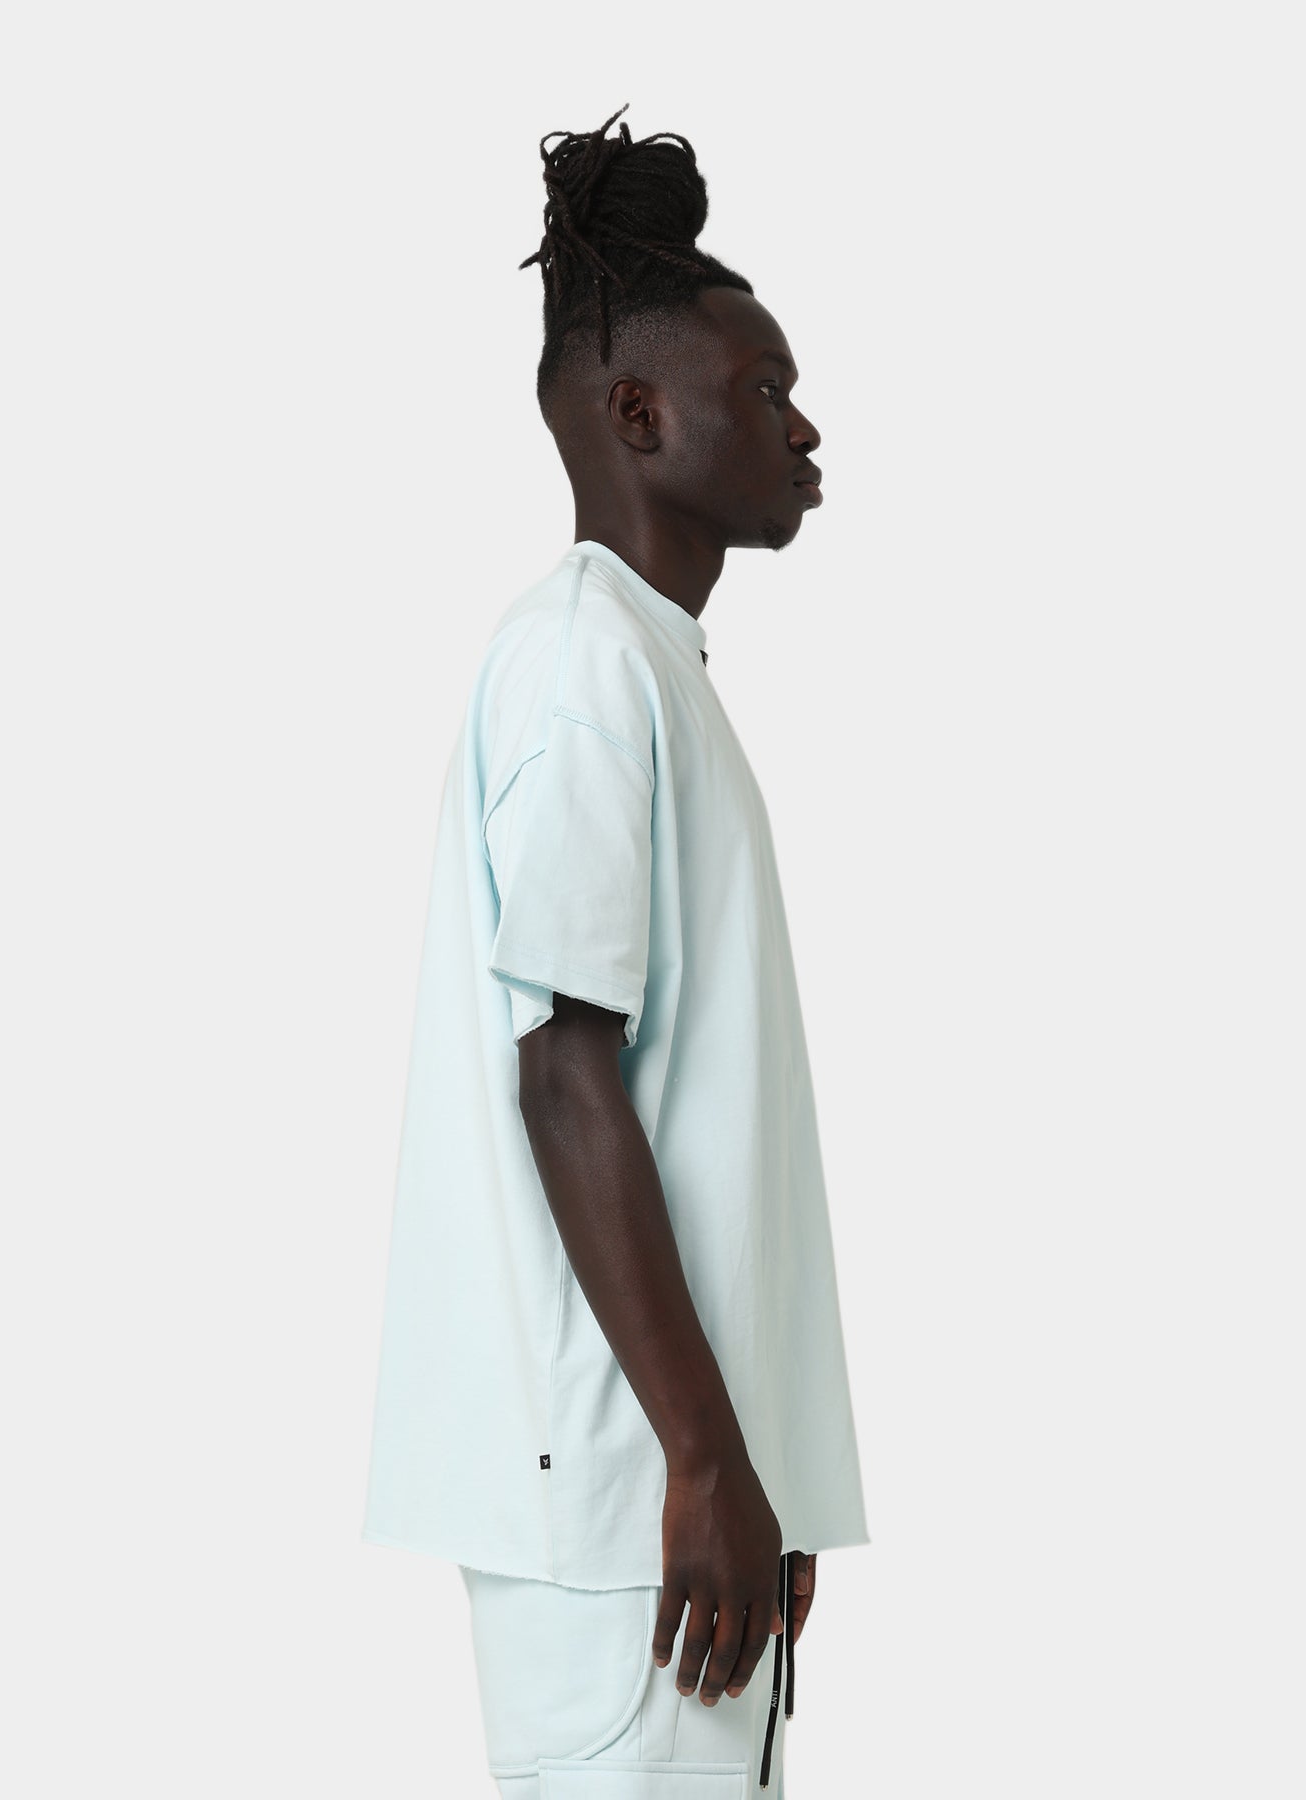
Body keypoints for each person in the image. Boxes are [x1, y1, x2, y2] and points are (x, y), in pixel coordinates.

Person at [361, 103, 870, 1798]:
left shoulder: (644, 667)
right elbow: (567, 1079)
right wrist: (709, 1461)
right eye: (766, 389)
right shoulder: (586, 668)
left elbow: (687, 1112)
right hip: (624, 1511)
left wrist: (762, 1465)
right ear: (638, 414)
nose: (804, 426)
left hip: (669, 1498)